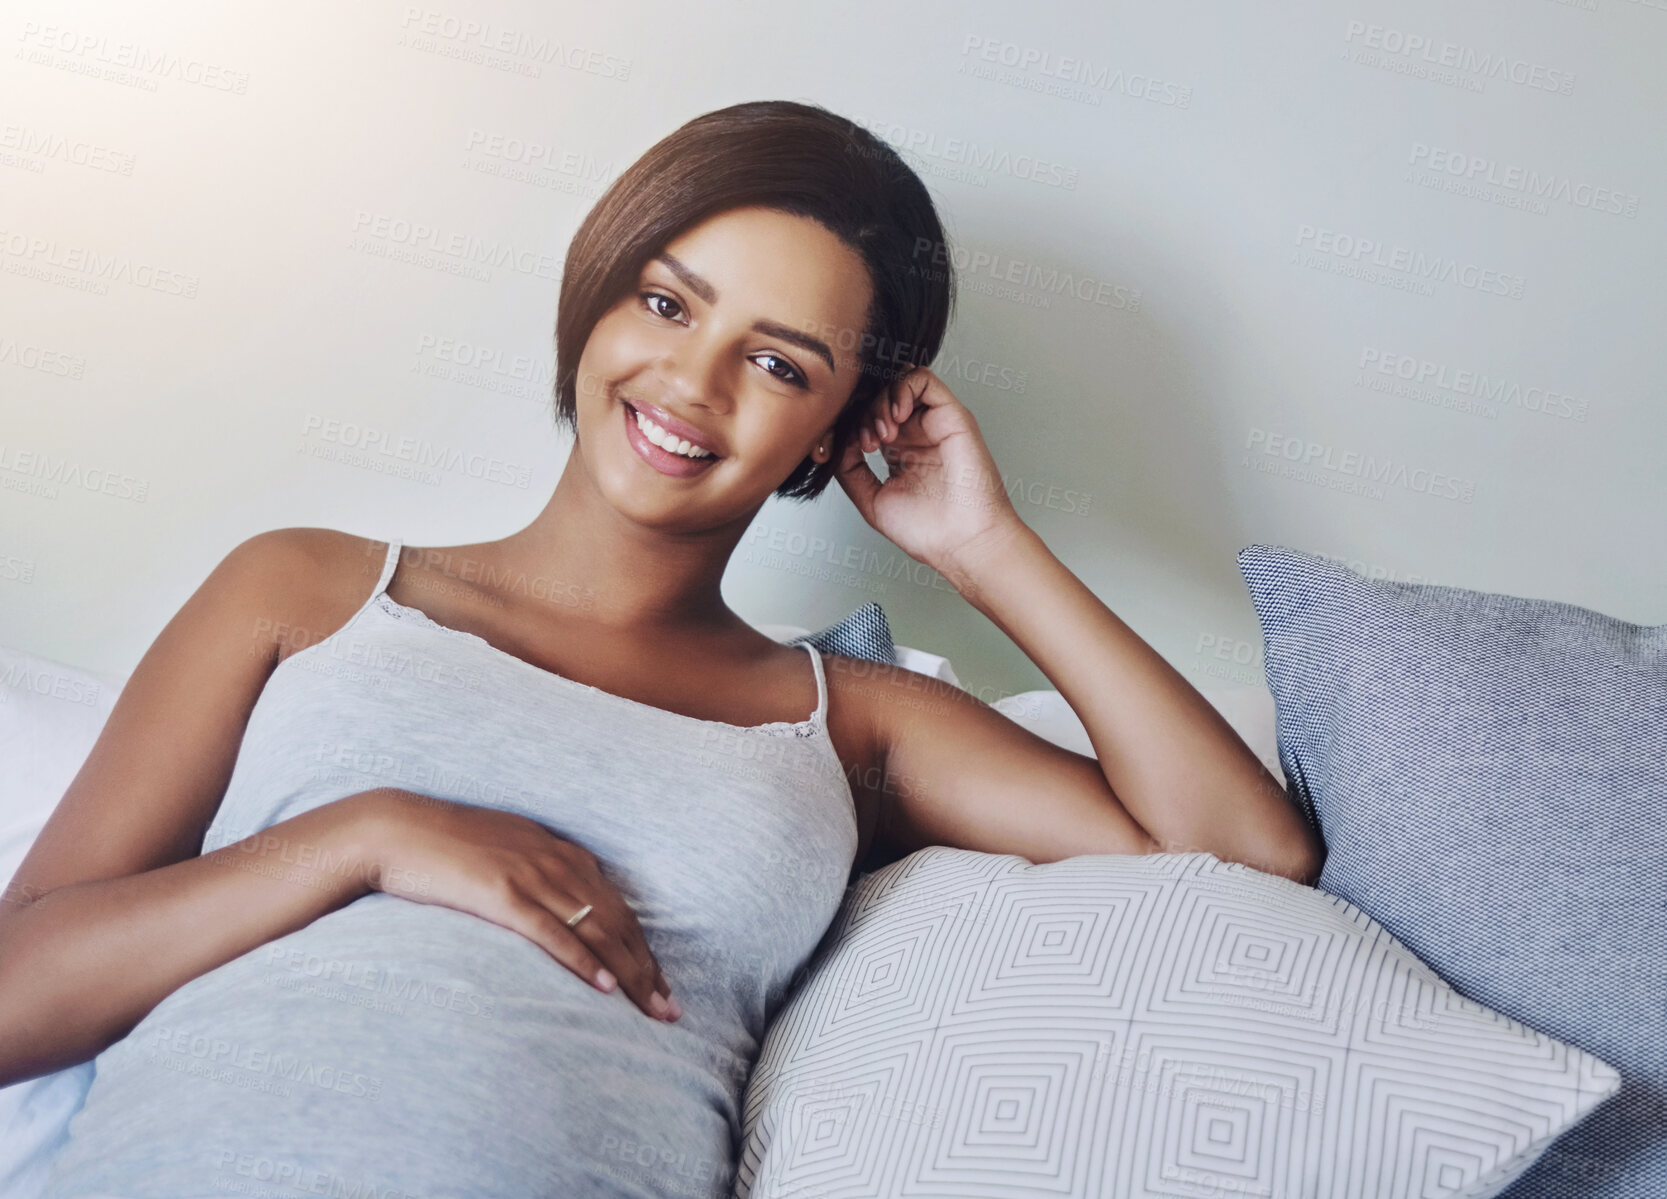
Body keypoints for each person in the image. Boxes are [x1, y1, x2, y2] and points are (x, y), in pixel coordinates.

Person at [0, 100, 1322, 1197]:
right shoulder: (308, 587)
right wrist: (367, 833)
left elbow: (1249, 850)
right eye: (668, 303)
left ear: (837, 428)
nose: (693, 384)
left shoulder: (851, 726)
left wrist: (983, 550)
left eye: (782, 364)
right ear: (600, 295)